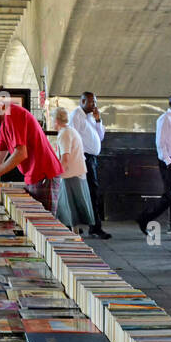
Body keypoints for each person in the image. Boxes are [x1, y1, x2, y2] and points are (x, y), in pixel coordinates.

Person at [0, 92, 64, 215]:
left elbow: (21, 153)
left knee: (41, 220)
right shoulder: (4, 126)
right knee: (33, 219)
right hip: (33, 175)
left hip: (44, 173)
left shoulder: (12, 113)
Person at [137, 94, 171, 236]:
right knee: (170, 197)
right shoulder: (164, 119)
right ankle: (144, 218)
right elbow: (160, 143)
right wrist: (169, 162)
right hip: (169, 162)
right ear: (170, 103)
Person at [67, 92, 110, 238]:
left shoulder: (91, 116)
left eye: (95, 102)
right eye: (92, 102)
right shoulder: (76, 116)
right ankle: (91, 226)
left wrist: (98, 121)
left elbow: (101, 136)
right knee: (89, 192)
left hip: (92, 159)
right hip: (82, 158)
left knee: (91, 192)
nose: (94, 106)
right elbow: (71, 138)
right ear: (83, 101)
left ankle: (93, 226)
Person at [50, 106, 94, 231]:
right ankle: (74, 235)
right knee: (72, 212)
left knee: (69, 212)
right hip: (76, 173)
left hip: (70, 175)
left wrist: (55, 175)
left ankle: (73, 238)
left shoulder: (64, 134)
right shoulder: (70, 131)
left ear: (56, 121)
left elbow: (65, 158)